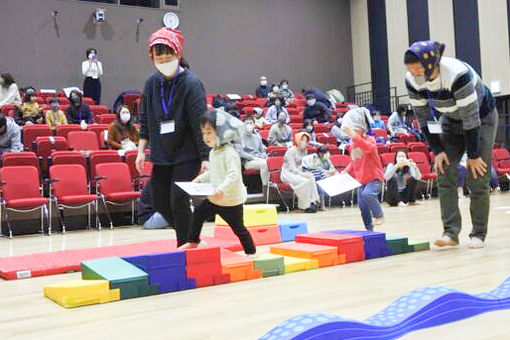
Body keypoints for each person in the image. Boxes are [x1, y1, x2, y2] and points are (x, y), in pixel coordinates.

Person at [404, 40, 497, 249]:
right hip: (450, 120)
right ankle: (450, 233)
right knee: (444, 172)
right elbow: (422, 116)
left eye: (418, 68)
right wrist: (437, 150)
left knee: (478, 176)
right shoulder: (412, 80)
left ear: (431, 63)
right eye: (410, 69)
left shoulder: (457, 74)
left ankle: (478, 234)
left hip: (482, 120)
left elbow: (471, 119)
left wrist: (473, 155)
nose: (415, 73)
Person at [136, 27, 209, 247]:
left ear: (177, 53)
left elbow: (200, 123)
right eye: (159, 54)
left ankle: (185, 245)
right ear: (152, 58)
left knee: (178, 198)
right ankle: (191, 237)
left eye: (168, 52)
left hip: (187, 153)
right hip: (161, 154)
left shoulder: (191, 84)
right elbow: (146, 119)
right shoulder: (151, 84)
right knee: (158, 199)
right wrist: (141, 151)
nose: (164, 57)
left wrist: (206, 157)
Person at [178, 109, 257, 257]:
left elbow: (233, 176)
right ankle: (194, 240)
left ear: (221, 132)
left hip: (230, 201)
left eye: (209, 132)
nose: (205, 137)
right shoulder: (213, 152)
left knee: (238, 228)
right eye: (203, 133)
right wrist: (200, 179)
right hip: (215, 198)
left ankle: (251, 252)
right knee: (198, 214)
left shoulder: (230, 153)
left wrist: (221, 189)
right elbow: (214, 172)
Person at [342, 107, 385, 231]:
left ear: (361, 129)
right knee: (362, 206)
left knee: (368, 194)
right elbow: (353, 161)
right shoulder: (353, 144)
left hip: (373, 178)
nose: (351, 133)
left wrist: (355, 137)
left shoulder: (369, 140)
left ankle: (379, 215)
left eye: (354, 130)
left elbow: (368, 149)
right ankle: (369, 229)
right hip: (361, 180)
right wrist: (345, 171)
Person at [281, 132, 320, 213]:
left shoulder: (305, 151)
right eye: (302, 140)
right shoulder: (291, 151)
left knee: (311, 177)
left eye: (306, 141)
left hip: (298, 171)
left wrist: (306, 173)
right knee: (305, 181)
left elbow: (302, 165)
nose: (304, 142)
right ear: (297, 140)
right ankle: (304, 205)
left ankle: (313, 201)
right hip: (287, 173)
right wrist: (303, 175)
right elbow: (292, 168)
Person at [236, 116, 270, 191]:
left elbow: (262, 150)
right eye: (247, 123)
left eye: (251, 123)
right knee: (265, 164)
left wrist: (263, 156)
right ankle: (266, 190)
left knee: (270, 162)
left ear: (254, 125)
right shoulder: (239, 138)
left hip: (259, 159)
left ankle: (271, 186)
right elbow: (240, 152)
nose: (249, 125)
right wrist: (254, 158)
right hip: (248, 162)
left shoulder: (257, 137)